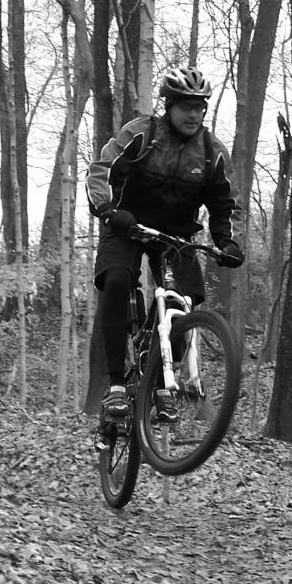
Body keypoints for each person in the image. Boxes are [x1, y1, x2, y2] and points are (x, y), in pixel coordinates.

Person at [86, 66, 245, 422]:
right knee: (115, 281)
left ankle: (160, 384)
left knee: (184, 302)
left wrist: (228, 243)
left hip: (176, 237)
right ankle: (115, 386)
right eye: (186, 105)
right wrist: (109, 209)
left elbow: (226, 204)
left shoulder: (211, 152)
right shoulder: (142, 133)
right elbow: (103, 169)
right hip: (127, 225)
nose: (194, 114)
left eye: (200, 107)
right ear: (169, 105)